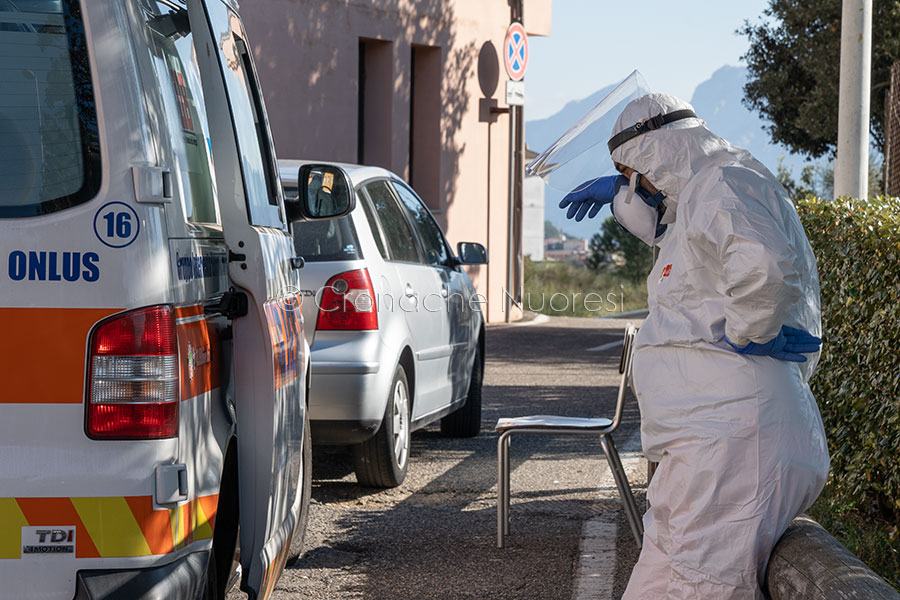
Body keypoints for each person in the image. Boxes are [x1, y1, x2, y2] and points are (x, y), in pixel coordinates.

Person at [559, 93, 830, 599]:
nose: (636, 187)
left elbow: (763, 268)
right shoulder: (702, 194)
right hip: (706, 446)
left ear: (653, 153)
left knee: (703, 588)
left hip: (730, 445)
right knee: (659, 584)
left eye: (630, 171)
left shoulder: (723, 182)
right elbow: (692, 267)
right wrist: (626, 197)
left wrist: (750, 333)